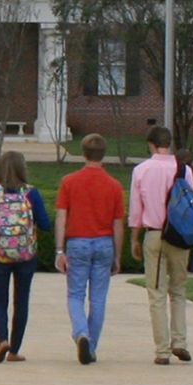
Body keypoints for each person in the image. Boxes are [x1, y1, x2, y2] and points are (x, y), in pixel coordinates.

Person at [54, 134, 125, 365]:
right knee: (98, 298)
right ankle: (91, 346)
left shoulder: (69, 182)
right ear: (103, 154)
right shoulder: (114, 186)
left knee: (75, 294)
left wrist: (59, 250)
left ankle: (81, 332)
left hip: (77, 242)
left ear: (83, 153)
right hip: (104, 242)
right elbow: (117, 223)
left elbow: (62, 217)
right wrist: (117, 255)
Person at [129, 125, 193, 365]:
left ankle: (162, 350)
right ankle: (180, 341)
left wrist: (134, 237)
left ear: (151, 144)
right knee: (178, 290)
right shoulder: (184, 170)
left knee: (156, 293)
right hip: (179, 235)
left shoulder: (142, 170)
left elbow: (137, 208)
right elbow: (191, 202)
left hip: (155, 233)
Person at [0, 151, 51, 363]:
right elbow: (46, 224)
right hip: (25, 254)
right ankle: (14, 350)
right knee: (22, 301)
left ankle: (2, 340)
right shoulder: (31, 194)